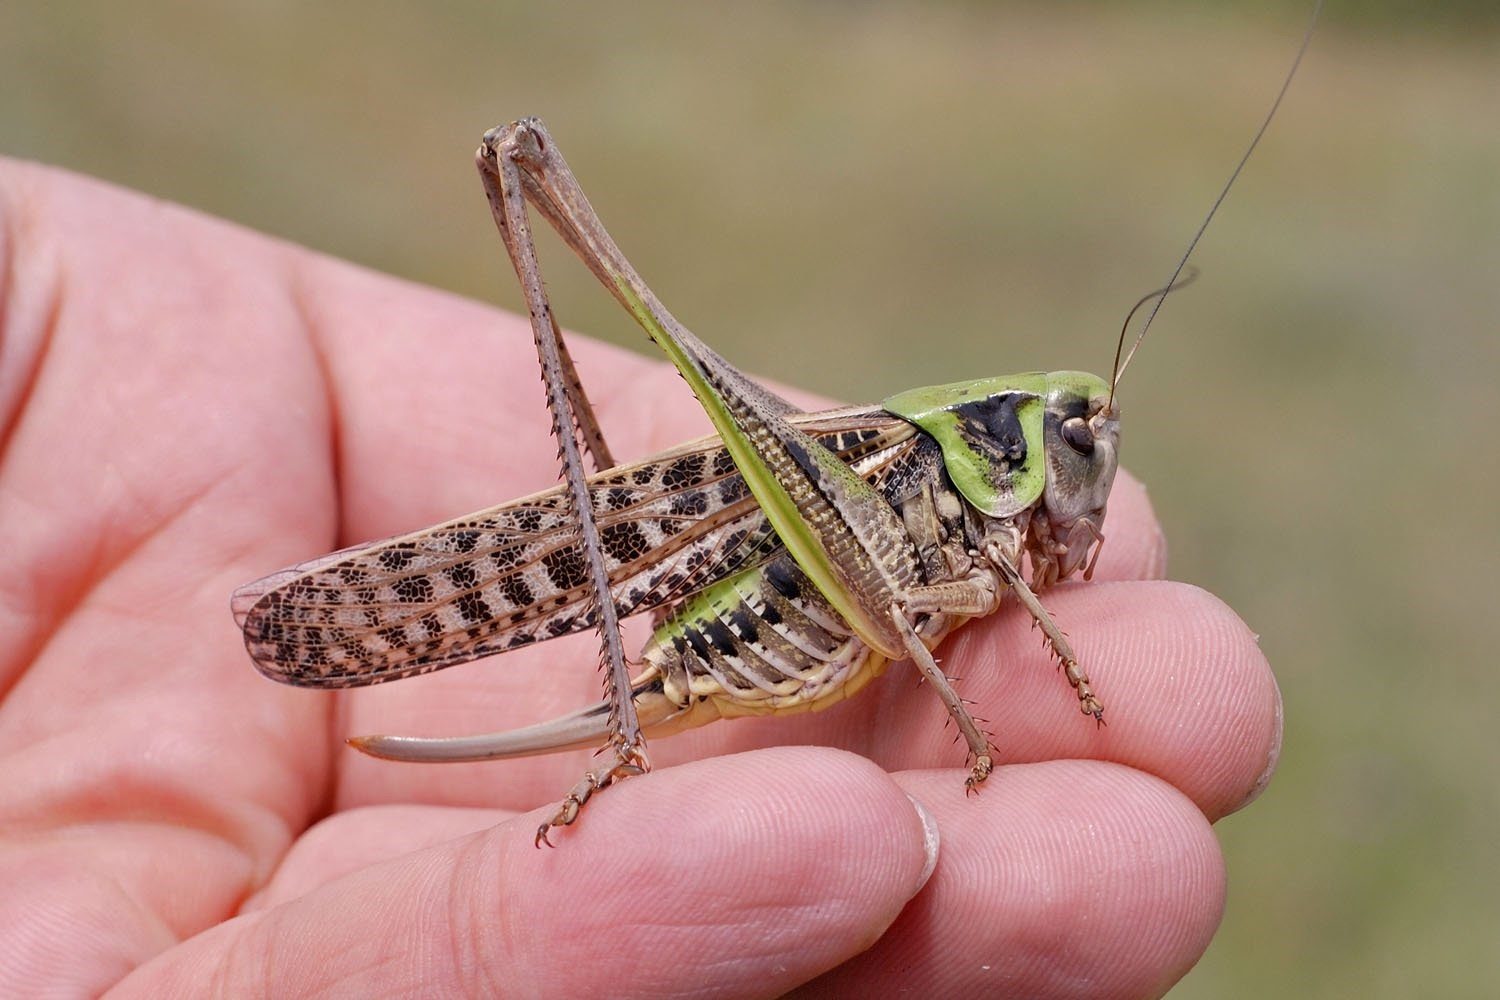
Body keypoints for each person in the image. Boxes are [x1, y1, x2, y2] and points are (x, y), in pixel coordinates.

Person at [0, 159, 1280, 997]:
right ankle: (623, 727)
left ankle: (618, 710)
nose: (1082, 471)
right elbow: (913, 600)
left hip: (812, 591)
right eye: (1071, 444)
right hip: (773, 607)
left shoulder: (982, 517)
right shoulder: (927, 473)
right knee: (534, 173)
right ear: (1013, 438)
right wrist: (1041, 656)